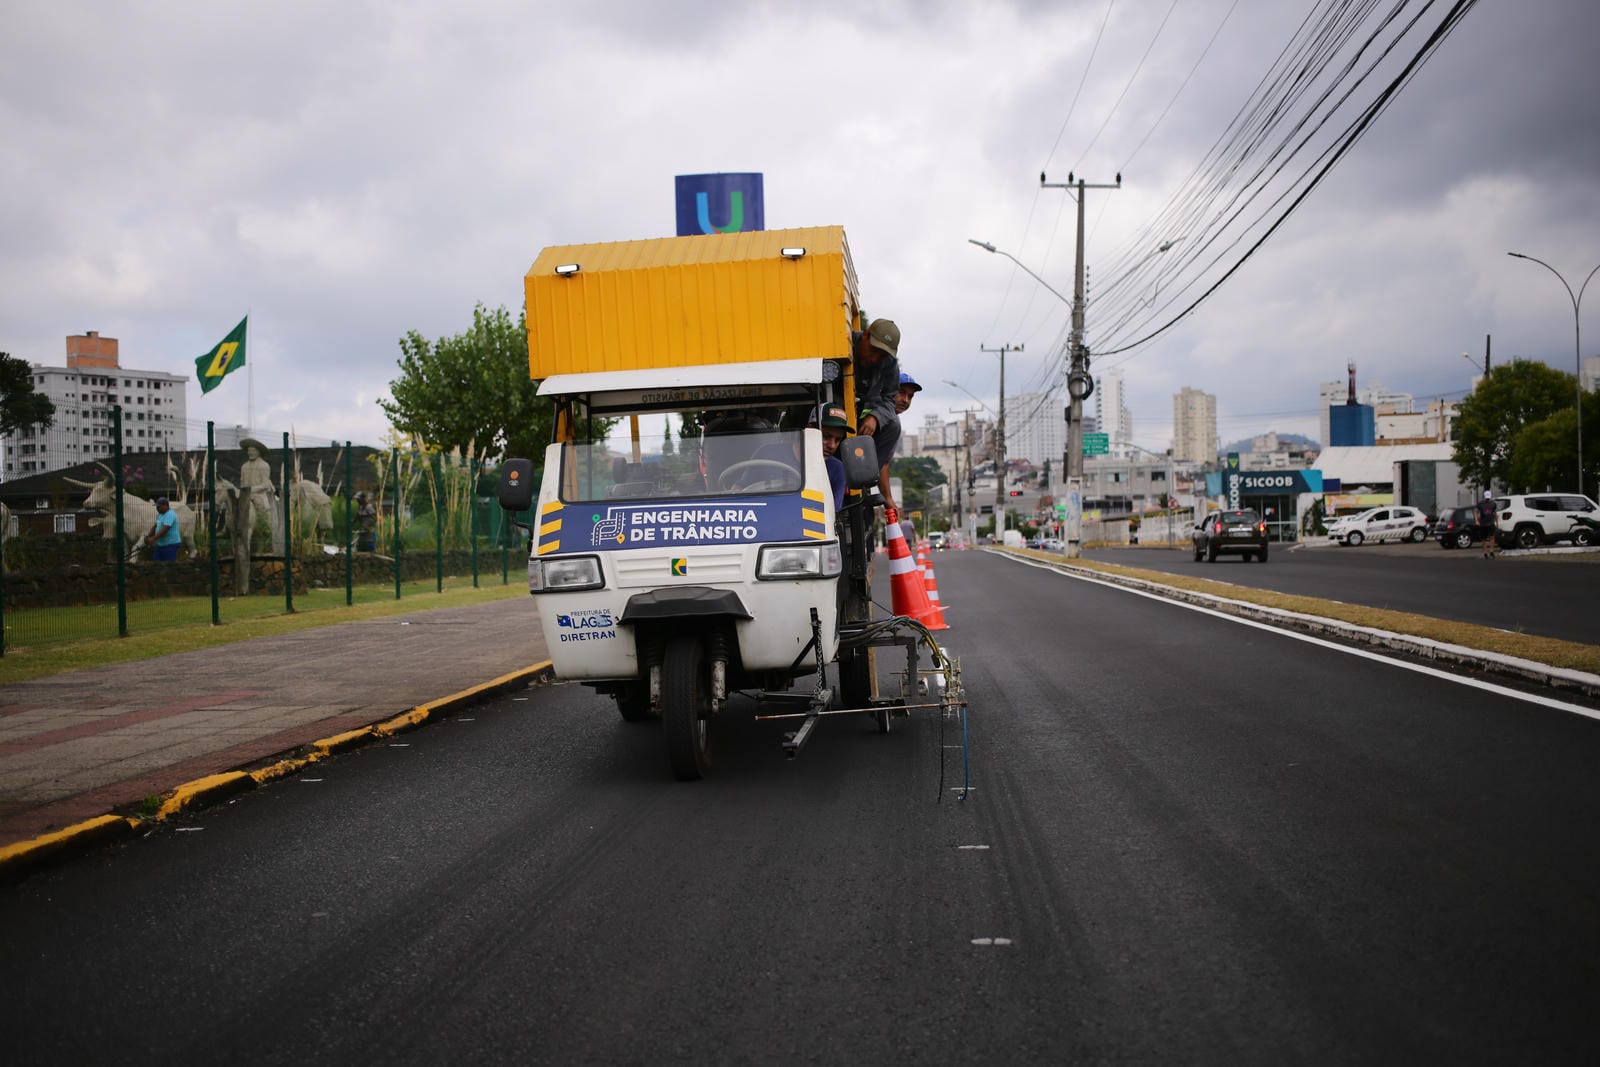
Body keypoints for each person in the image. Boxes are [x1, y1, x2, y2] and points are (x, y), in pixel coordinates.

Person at [855, 318, 902, 513]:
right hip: (836, 415)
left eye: (881, 355)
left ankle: (865, 479)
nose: (875, 359)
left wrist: (875, 416)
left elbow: (890, 399)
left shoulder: (889, 365)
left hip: (864, 418)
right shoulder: (843, 343)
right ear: (865, 335)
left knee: (894, 426)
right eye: (873, 351)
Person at [814, 404, 852, 511]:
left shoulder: (837, 469)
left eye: (837, 440)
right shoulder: (782, 459)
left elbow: (834, 515)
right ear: (810, 429)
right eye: (826, 436)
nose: (832, 446)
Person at [144, 496, 181, 561]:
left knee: (169, 565)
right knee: (156, 563)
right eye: (156, 507)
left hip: (170, 545)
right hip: (161, 544)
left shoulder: (170, 514)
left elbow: (165, 529)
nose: (157, 508)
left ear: (165, 506)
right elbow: (155, 526)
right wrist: (148, 536)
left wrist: (152, 538)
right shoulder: (160, 515)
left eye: (159, 507)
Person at [1478, 489, 1499, 558]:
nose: (1487, 498)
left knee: (1492, 537)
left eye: (1488, 497)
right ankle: (1485, 552)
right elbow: (1475, 512)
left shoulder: (1493, 504)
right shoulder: (1480, 504)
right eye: (1486, 497)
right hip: (1483, 523)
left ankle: (1491, 551)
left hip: (1491, 523)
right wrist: (1476, 521)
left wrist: (1497, 522)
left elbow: (1494, 513)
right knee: (1484, 538)